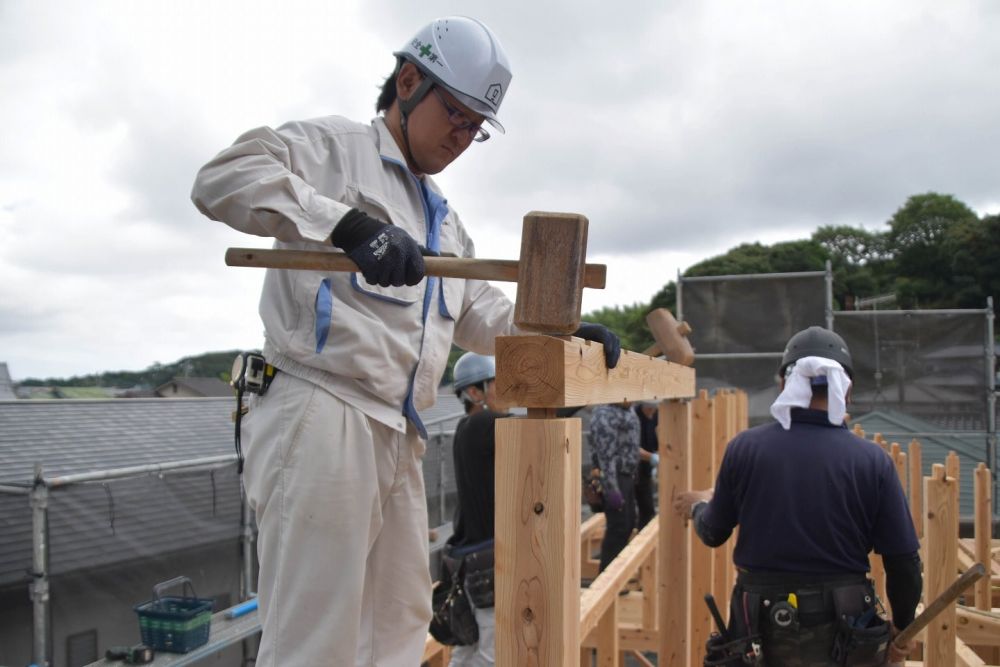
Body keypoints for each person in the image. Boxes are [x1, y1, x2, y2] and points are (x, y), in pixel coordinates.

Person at [190, 16, 620, 667]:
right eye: (456, 112)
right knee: (316, 639)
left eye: (477, 126)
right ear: (409, 81)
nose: (464, 134)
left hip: (398, 429)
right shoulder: (335, 149)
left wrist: (558, 335)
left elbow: (481, 311)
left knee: (398, 623)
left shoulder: (441, 217)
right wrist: (346, 224)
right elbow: (220, 178)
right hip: (321, 409)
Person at [673, 326, 921, 666]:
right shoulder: (872, 461)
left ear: (783, 384)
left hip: (760, 629)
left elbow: (714, 532)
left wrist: (700, 505)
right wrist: (901, 628)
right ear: (846, 391)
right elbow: (904, 563)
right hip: (846, 633)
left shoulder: (746, 449)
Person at [445, 352, 507, 666]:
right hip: (485, 558)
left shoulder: (467, 427)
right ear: (474, 392)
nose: (506, 392)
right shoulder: (485, 422)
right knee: (491, 652)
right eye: (498, 384)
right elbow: (535, 431)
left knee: (469, 647)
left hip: (470, 556)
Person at [589, 400, 641, 571]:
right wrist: (612, 489)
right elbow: (606, 456)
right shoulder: (604, 415)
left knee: (629, 523)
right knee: (618, 526)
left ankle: (616, 574)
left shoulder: (628, 410)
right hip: (613, 476)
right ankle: (606, 575)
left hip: (626, 475)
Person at [633, 400, 660, 529]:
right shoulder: (633, 416)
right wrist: (652, 457)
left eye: (654, 410)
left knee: (648, 511)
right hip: (633, 470)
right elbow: (632, 448)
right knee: (629, 515)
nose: (652, 413)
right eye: (650, 410)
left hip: (646, 470)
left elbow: (660, 440)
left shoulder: (656, 415)